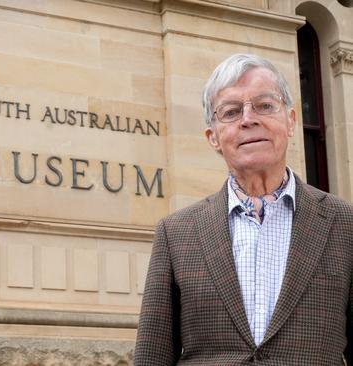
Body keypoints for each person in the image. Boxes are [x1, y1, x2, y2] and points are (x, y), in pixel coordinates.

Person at [134, 53, 353, 365]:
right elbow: (152, 355)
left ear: (291, 121)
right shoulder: (176, 232)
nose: (248, 119)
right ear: (213, 138)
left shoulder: (344, 223)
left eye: (264, 106)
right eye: (231, 112)